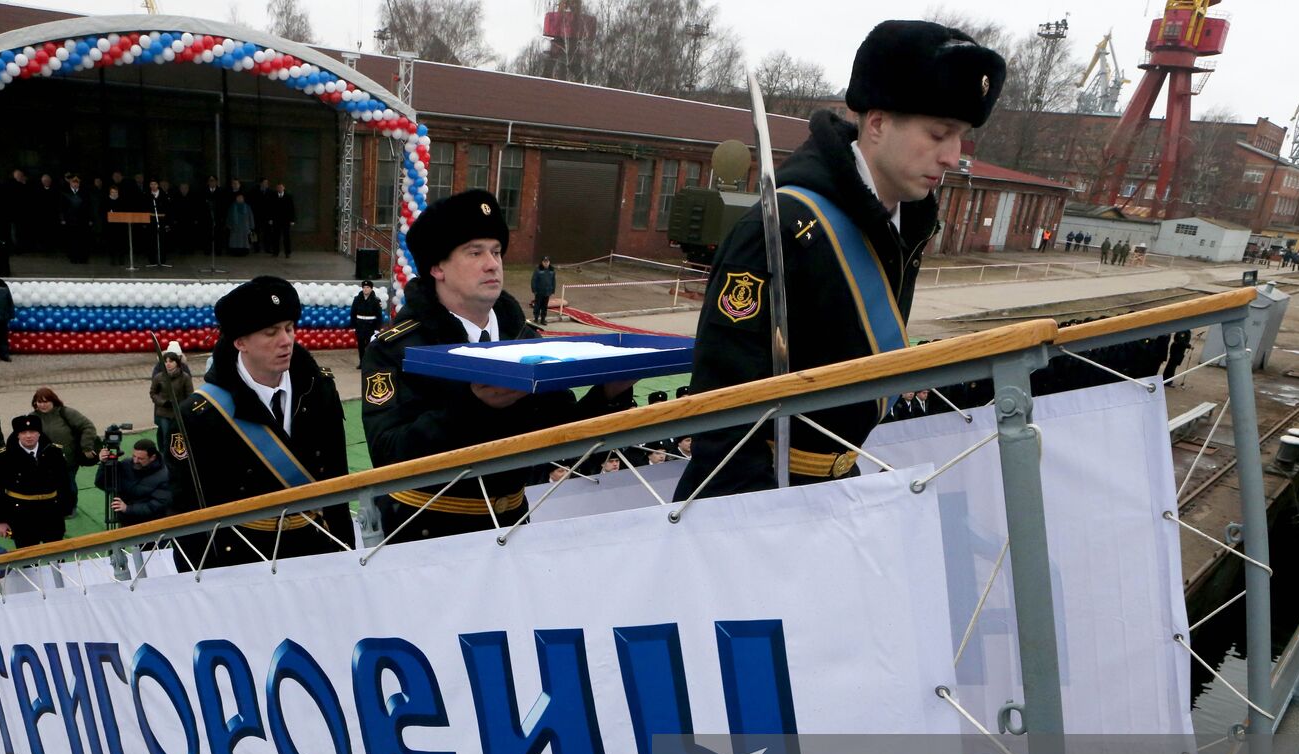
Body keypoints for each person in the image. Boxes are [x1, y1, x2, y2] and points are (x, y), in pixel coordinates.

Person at [674, 20, 1005, 500]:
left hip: (834, 485)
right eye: (939, 134)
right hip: (760, 497)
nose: (953, 156)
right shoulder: (781, 227)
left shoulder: (904, 222)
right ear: (876, 123)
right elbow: (723, 402)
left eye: (961, 138)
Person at [361, 189, 635, 541]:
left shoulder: (521, 336)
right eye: (475, 252)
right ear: (436, 267)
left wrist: (609, 394)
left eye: (496, 251)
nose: (492, 264)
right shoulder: (396, 349)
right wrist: (472, 407)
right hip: (427, 531)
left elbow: (561, 430)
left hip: (513, 525)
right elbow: (388, 454)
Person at [168, 276, 353, 568]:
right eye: (270, 332)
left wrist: (347, 555)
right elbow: (189, 514)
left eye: (289, 328)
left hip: (318, 548)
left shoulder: (318, 389)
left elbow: (336, 481)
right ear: (240, 342)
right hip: (245, 559)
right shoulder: (200, 414)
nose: (286, 341)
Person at [0, 414, 71, 548]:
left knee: (56, 555)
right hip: (21, 514)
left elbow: (64, 483)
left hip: (51, 512)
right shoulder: (3, 456)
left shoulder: (54, 452)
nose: (28, 436)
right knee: (27, 557)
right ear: (17, 435)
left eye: (32, 431)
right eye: (23, 432)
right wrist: (0, 520)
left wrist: (65, 510)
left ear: (39, 433)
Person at [29, 386, 98, 513]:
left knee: (68, 485)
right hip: (43, 461)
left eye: (46, 402)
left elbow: (88, 427)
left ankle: (71, 508)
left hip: (68, 459)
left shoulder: (66, 413)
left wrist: (86, 447)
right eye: (39, 402)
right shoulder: (32, 417)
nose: (42, 405)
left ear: (53, 401)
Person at [94, 437, 172, 526]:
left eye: (140, 458)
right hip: (125, 521)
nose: (135, 461)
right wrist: (104, 464)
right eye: (134, 456)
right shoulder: (126, 464)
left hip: (149, 524)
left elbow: (157, 505)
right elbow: (102, 484)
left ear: (152, 457)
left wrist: (128, 509)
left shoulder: (164, 476)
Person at [150, 350, 194, 456]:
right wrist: (163, 402)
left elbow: (190, 395)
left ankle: (178, 456)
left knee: (178, 436)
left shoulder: (185, 377)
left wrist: (183, 407)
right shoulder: (158, 377)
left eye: (171, 361)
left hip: (178, 412)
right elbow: (153, 393)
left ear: (177, 363)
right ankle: (165, 457)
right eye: (166, 361)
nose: (168, 364)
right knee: (166, 435)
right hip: (164, 412)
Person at [58, 174, 92, 263]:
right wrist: (62, 219)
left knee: (83, 240)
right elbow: (61, 207)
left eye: (77, 183)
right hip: (70, 221)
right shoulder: (65, 193)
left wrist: (90, 219)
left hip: (82, 220)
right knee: (72, 240)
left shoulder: (84, 193)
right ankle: (73, 257)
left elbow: (89, 207)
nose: (75, 184)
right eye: (73, 182)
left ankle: (83, 258)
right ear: (70, 183)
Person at [350, 280, 384, 366]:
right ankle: (362, 362)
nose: (365, 289)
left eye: (368, 287)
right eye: (364, 287)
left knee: (369, 346)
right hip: (360, 325)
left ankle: (369, 363)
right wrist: (353, 325)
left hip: (370, 326)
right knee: (360, 345)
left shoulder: (376, 300)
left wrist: (377, 328)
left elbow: (379, 316)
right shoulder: (357, 299)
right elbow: (353, 313)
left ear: (371, 289)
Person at [265, 182, 296, 258]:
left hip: (286, 220)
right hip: (276, 220)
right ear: (276, 188)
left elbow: (292, 209)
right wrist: (270, 219)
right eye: (278, 187)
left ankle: (287, 252)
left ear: (284, 188)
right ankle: (275, 252)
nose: (280, 189)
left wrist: (292, 220)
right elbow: (270, 209)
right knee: (275, 237)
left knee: (286, 237)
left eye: (281, 187)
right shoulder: (273, 196)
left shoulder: (288, 196)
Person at [146, 178, 171, 266]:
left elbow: (168, 210)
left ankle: (162, 259)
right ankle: (152, 260)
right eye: (151, 184)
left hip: (162, 220)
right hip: (151, 220)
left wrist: (167, 223)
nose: (153, 186)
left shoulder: (164, 195)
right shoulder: (147, 195)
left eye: (155, 184)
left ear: (158, 185)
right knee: (151, 240)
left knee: (162, 240)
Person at [225, 192, 256, 257]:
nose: (239, 199)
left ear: (243, 199)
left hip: (245, 227)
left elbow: (251, 216)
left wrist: (252, 226)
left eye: (241, 198)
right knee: (234, 241)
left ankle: (244, 252)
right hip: (234, 227)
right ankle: (234, 252)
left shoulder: (247, 206)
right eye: (238, 198)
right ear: (236, 198)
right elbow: (229, 216)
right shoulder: (232, 206)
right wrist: (228, 224)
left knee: (244, 241)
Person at [530, 256, 556, 325]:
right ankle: (536, 318)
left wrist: (553, 290)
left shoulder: (552, 270)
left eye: (547, 262)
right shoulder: (538, 270)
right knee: (537, 305)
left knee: (545, 306)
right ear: (542, 262)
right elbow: (533, 280)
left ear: (549, 262)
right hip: (539, 292)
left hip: (547, 292)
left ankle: (543, 319)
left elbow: (553, 281)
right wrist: (534, 290)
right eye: (544, 262)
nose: (546, 263)